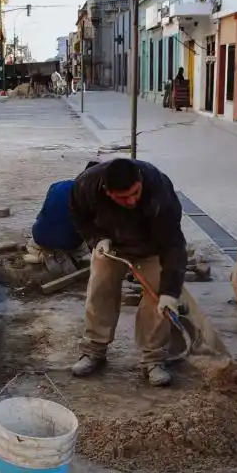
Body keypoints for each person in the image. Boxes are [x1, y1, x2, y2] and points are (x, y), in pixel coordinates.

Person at [68, 157, 188, 387]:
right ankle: (93, 350)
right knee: (100, 290)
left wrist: (170, 292)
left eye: (135, 192)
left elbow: (173, 243)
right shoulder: (86, 185)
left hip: (153, 247)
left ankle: (153, 359)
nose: (132, 200)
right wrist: (96, 239)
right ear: (107, 191)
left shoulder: (160, 191)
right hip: (111, 244)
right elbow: (79, 216)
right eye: (123, 197)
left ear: (140, 180)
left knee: (157, 300)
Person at [25, 161, 97, 263]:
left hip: (40, 236)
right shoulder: (94, 198)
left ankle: (40, 254)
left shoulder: (57, 185)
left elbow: (44, 213)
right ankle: (75, 257)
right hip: (70, 243)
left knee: (34, 242)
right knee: (86, 248)